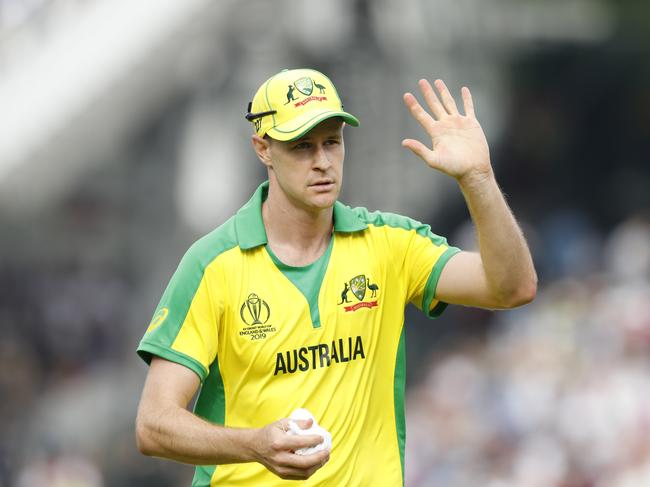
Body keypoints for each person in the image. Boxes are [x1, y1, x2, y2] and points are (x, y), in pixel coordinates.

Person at [135, 68, 537, 486]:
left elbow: (512, 287)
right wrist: (255, 444)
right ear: (263, 149)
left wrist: (478, 179)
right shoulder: (212, 264)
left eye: (332, 142)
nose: (322, 162)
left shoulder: (389, 244)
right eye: (301, 147)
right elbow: (154, 424)